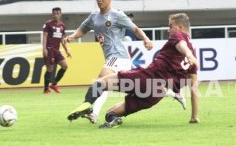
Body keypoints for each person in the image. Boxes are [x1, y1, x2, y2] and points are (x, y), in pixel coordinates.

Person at [66, 13, 200, 128]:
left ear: (180, 28)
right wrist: (194, 116)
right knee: (110, 114)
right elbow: (194, 89)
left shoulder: (178, 38)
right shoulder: (193, 55)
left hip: (147, 79)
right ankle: (113, 120)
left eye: (171, 26)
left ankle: (87, 105)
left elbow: (182, 45)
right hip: (157, 94)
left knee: (99, 83)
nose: (168, 30)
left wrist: (188, 54)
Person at [62, 0, 153, 124]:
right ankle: (170, 92)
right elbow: (83, 29)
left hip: (118, 56)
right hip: (116, 59)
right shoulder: (94, 16)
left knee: (101, 78)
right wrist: (72, 36)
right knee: (130, 88)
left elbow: (135, 29)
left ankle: (92, 111)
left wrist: (146, 39)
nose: (99, 0)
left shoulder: (117, 15)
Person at [42, 7, 71, 94]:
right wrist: (44, 49)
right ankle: (46, 89)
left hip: (56, 50)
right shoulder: (48, 24)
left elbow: (62, 39)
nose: (56, 15)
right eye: (54, 13)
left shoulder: (62, 25)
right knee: (50, 69)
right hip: (49, 49)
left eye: (57, 13)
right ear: (52, 14)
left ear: (60, 14)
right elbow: (44, 36)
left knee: (65, 66)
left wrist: (66, 50)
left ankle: (54, 84)